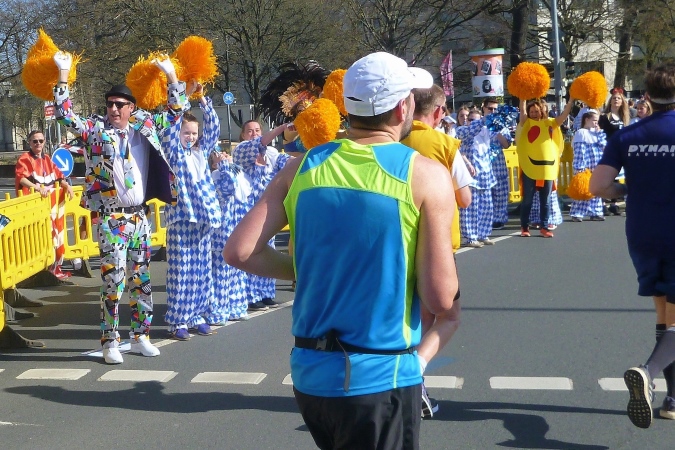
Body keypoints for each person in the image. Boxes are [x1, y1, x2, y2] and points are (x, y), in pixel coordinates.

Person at [224, 51, 458, 449]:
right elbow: (440, 298)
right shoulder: (424, 174)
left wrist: (307, 268)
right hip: (381, 373)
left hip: (310, 373)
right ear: (402, 107)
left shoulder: (302, 166)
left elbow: (240, 252)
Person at [53, 50, 186, 364]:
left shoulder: (145, 127)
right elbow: (65, 115)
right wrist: (63, 74)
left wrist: (171, 76)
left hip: (139, 217)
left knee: (142, 281)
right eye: (110, 104)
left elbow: (176, 112)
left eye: (120, 104)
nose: (113, 109)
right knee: (113, 282)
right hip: (111, 218)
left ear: (131, 108)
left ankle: (140, 336)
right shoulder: (96, 131)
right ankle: (110, 341)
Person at [589, 63, 675, 429]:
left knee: (665, 313)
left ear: (648, 95)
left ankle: (673, 399)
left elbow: (598, 186)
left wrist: (630, 189)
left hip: (643, 232)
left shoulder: (628, 135)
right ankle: (649, 372)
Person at [401, 84, 472, 418]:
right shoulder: (444, 143)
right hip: (437, 244)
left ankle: (411, 383)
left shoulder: (394, 140)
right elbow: (465, 198)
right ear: (439, 112)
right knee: (447, 316)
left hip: (400, 240)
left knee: (412, 319)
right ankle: (413, 375)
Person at [163, 82, 222, 341]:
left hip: (204, 218)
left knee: (202, 270)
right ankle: (178, 320)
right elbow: (169, 128)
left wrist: (202, 99)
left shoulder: (201, 152)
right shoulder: (173, 153)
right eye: (186, 133)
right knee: (181, 271)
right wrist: (184, 95)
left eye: (194, 133)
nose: (191, 137)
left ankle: (198, 315)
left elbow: (214, 129)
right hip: (181, 217)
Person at [15, 130, 75, 280]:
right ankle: (37, 269)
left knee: (54, 235)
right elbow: (21, 178)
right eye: (35, 141)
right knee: (37, 236)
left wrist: (67, 186)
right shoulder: (25, 158)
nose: (38, 144)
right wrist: (36, 188)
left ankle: (52, 265)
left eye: (41, 141)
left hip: (50, 205)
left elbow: (58, 176)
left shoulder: (47, 159)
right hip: (34, 206)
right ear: (29, 142)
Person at [516, 97, 574, 238]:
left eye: (536, 111)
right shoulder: (526, 123)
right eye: (532, 112)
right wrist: (522, 96)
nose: (534, 114)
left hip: (547, 168)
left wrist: (571, 101)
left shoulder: (551, 123)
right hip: (530, 167)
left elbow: (563, 116)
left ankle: (544, 227)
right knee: (527, 199)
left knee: (545, 200)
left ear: (541, 111)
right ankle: (524, 227)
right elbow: (522, 110)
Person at [599, 87, 632, 216]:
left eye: (618, 98)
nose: (616, 100)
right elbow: (600, 133)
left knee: (617, 177)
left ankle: (614, 204)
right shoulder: (605, 117)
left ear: (622, 101)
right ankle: (602, 204)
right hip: (607, 148)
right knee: (607, 176)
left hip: (621, 149)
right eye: (614, 98)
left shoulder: (625, 117)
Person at [570, 110, 606, 222]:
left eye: (597, 121)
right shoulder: (581, 133)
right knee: (583, 189)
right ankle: (577, 213)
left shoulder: (598, 133)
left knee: (596, 189)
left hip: (597, 165)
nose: (596, 123)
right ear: (587, 120)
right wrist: (580, 168)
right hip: (585, 167)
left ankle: (596, 211)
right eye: (594, 120)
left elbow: (604, 147)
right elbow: (579, 151)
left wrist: (600, 134)